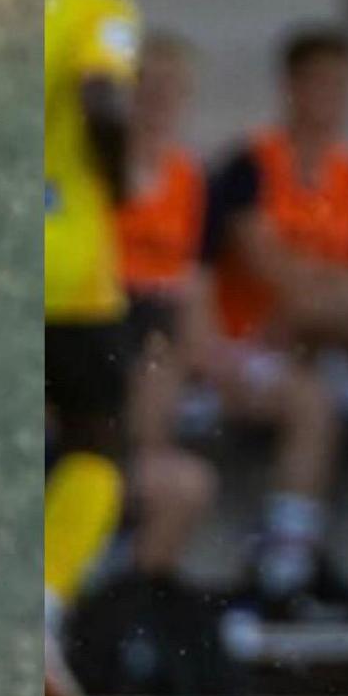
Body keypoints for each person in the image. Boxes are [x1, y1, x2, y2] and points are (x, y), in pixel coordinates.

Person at [198, 26, 348, 618]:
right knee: (315, 398)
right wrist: (339, 294)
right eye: (320, 84)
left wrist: (341, 297)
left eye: (342, 86)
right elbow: (268, 266)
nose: (331, 99)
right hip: (246, 346)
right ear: (290, 88)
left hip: (324, 344)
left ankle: (326, 558)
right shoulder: (252, 163)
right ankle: (284, 568)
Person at [41, 0, 146, 696]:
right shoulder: (95, 12)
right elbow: (105, 99)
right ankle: (39, 602)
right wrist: (119, 178)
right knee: (96, 441)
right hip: (66, 271)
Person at [114, 31, 220, 589]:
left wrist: (208, 353)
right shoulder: (95, 170)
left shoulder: (187, 178)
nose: (158, 103)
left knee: (167, 350)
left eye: (171, 91)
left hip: (157, 327)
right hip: (99, 321)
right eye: (147, 88)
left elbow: (193, 274)